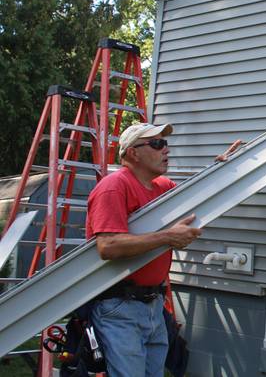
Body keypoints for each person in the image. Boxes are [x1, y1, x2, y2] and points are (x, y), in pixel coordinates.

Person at [85, 122, 201, 377]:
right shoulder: (114, 187)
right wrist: (168, 236)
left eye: (165, 143)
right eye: (157, 144)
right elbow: (108, 245)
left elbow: (198, 198)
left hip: (153, 304)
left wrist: (224, 166)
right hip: (119, 306)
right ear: (133, 153)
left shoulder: (163, 187)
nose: (166, 150)